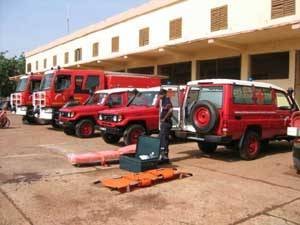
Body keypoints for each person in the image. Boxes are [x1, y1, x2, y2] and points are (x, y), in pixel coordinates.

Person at [158, 89, 173, 163]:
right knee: (162, 139)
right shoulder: (163, 101)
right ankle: (163, 156)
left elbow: (170, 110)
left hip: (167, 123)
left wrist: (164, 118)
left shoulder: (167, 100)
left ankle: (165, 157)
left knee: (164, 140)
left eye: (160, 94)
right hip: (164, 124)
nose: (159, 96)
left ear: (164, 94)